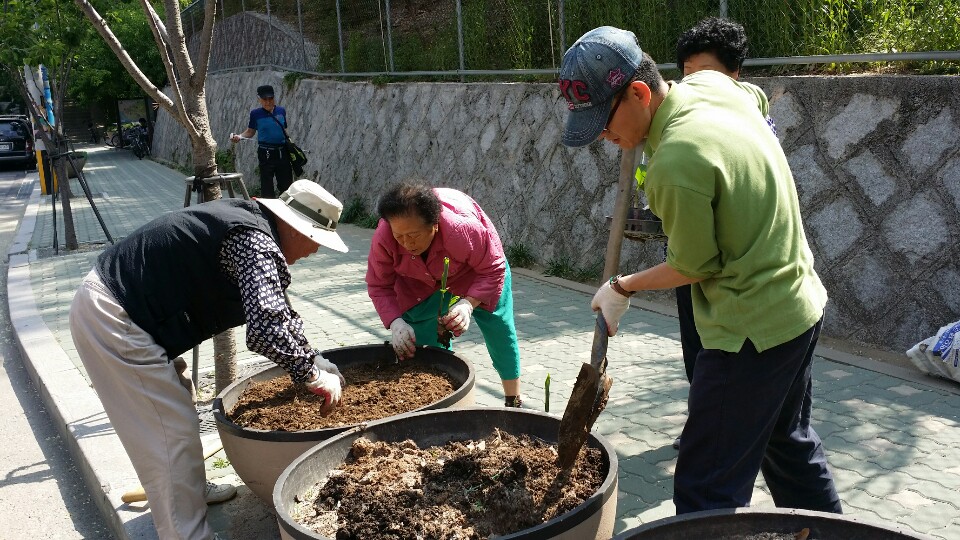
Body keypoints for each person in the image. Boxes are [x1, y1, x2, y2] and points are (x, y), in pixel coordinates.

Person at [558, 26, 842, 515]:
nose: (605, 137)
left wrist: (621, 287)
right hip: (799, 305)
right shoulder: (710, 85)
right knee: (787, 442)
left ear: (640, 92)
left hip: (748, 329)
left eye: (603, 123)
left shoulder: (675, 160)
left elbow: (693, 264)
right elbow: (754, 95)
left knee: (705, 486)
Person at [69, 180, 349, 539]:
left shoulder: (252, 228)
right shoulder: (255, 241)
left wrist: (313, 356)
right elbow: (265, 329)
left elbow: (278, 312)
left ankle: (192, 494)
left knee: (177, 407)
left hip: (129, 312)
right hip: (115, 316)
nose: (314, 251)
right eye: (316, 240)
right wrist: (309, 373)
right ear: (295, 227)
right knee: (169, 434)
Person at [669, 16, 773, 450]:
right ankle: (702, 417)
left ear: (735, 74)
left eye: (704, 74)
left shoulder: (749, 104)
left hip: (739, 270)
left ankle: (721, 430)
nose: (691, 84)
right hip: (692, 254)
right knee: (694, 343)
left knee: (725, 355)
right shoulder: (688, 112)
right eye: (686, 74)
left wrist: (624, 287)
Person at [366, 181, 523, 407]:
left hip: (477, 272)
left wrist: (468, 304)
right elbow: (379, 285)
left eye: (414, 235)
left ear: (435, 225)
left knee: (498, 326)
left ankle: (513, 398)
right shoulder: (385, 236)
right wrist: (396, 322)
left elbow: (492, 268)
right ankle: (434, 402)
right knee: (420, 341)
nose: (407, 243)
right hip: (418, 281)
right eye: (400, 236)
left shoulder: (461, 230)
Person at [230, 84, 292, 198]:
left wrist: (291, 146)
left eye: (270, 98)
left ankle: (285, 211)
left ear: (274, 97)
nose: (268, 102)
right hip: (266, 154)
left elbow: (284, 130)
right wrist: (239, 136)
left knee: (286, 186)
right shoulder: (255, 114)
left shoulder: (281, 111)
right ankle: (268, 212)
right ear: (259, 99)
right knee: (267, 187)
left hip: (282, 153)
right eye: (264, 99)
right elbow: (250, 132)